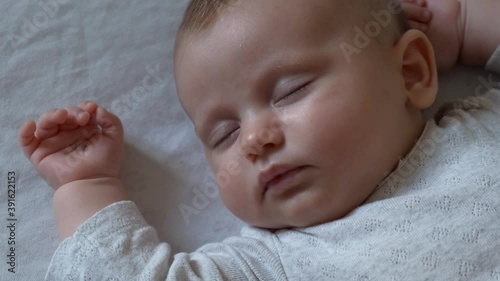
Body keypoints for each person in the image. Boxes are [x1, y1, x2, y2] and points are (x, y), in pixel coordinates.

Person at [19, 0, 500, 279]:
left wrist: (460, 26)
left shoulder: (481, 130)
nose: (253, 139)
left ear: (411, 71)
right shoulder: (273, 266)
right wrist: (85, 186)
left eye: (290, 91)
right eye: (224, 134)